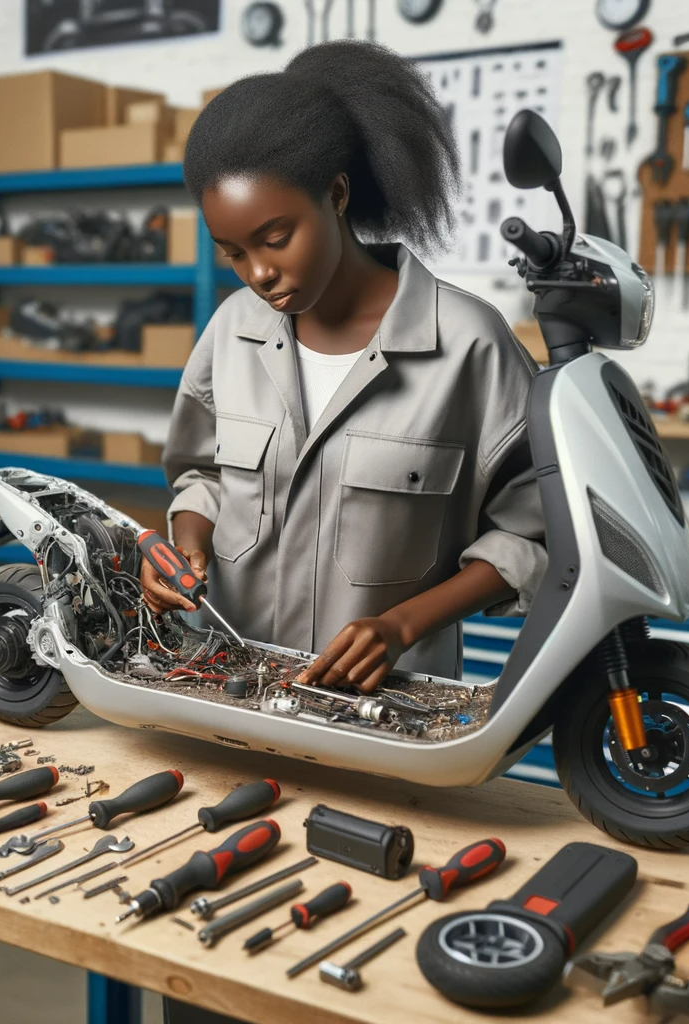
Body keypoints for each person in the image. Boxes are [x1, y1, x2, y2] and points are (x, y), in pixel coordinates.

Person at [141, 40, 547, 693]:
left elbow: (532, 536)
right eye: (234, 253)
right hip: (230, 695)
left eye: (275, 239)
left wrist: (401, 627)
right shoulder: (231, 331)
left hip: (383, 715)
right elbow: (201, 475)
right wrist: (186, 544)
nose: (260, 273)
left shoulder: (469, 347)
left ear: (335, 194)